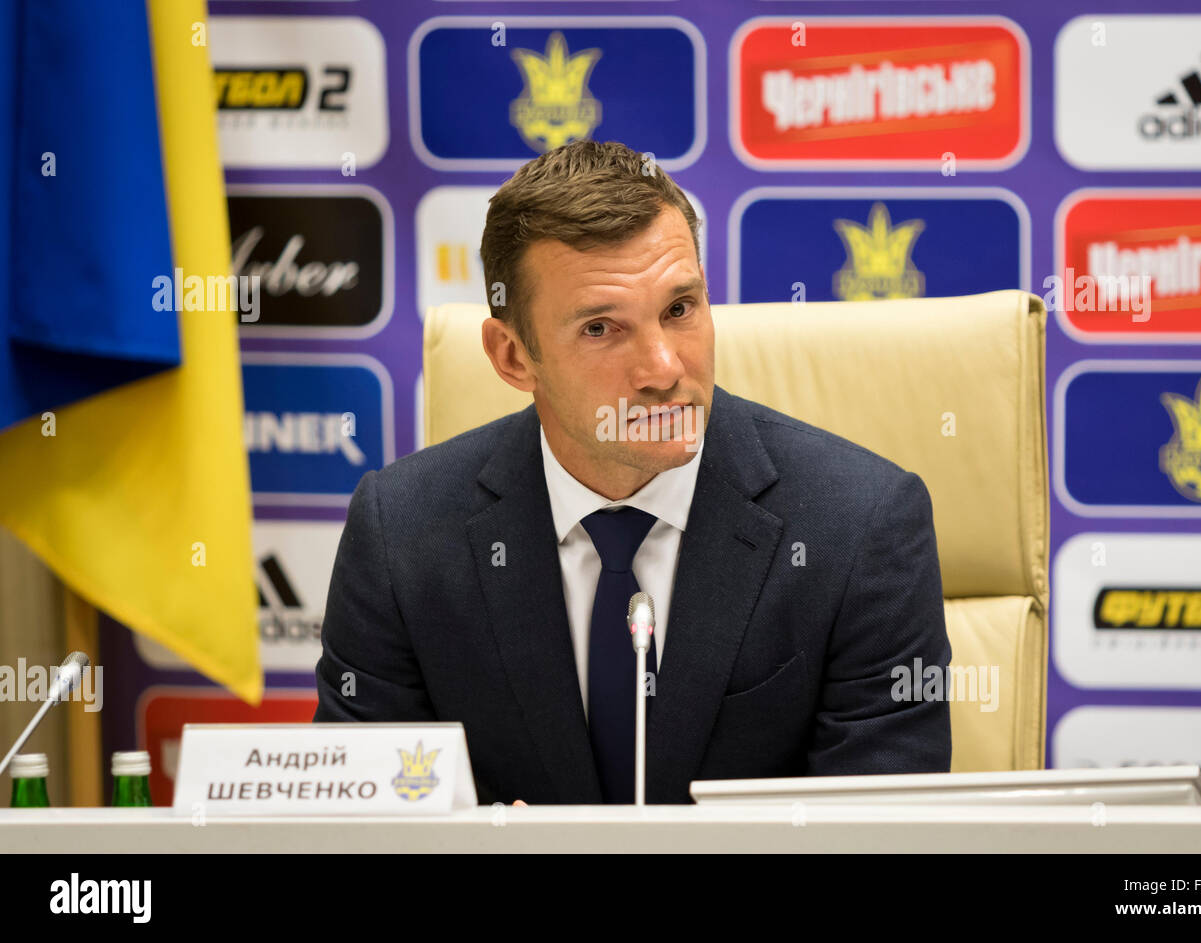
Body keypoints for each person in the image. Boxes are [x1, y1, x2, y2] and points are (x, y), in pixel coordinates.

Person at [314, 139, 951, 804]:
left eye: (680, 310)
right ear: (512, 356)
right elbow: (366, 825)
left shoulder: (861, 525)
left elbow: (880, 833)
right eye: (601, 329)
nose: (663, 370)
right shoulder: (402, 534)